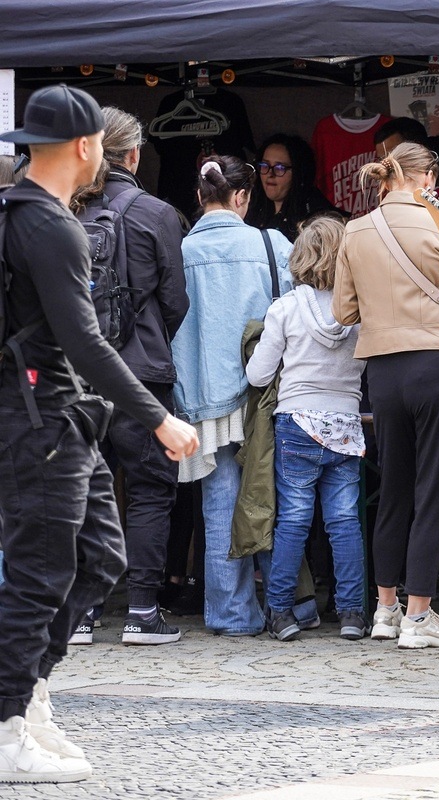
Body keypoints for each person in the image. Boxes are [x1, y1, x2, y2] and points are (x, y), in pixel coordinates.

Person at [0, 84, 197, 784]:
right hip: (40, 420)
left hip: (58, 417)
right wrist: (159, 417)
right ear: (87, 148)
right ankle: (6, 727)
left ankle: (28, 696)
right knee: (41, 574)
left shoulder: (32, 214)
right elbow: (84, 342)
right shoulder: (47, 226)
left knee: (99, 558)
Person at [334, 141, 439, 650]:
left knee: (394, 488)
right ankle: (419, 616)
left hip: (383, 372)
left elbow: (343, 312)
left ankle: (385, 609)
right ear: (427, 178)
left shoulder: (355, 231)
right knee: (433, 489)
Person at [66, 106, 190, 647]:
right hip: (142, 376)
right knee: (150, 492)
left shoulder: (65, 210)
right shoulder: (157, 213)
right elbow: (176, 302)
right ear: (134, 154)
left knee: (83, 492)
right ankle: (142, 612)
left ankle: (82, 615)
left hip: (77, 377)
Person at [172, 154, 303, 637]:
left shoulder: (179, 251)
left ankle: (232, 614)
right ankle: (292, 605)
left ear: (199, 196)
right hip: (264, 394)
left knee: (219, 504)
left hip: (202, 395)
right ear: (243, 197)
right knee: (277, 499)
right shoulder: (272, 244)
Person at [246, 216, 367, 642]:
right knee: (345, 521)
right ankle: (352, 614)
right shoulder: (360, 311)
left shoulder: (285, 308)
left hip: (297, 423)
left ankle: (281, 613)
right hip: (346, 423)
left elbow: (259, 375)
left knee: (294, 520)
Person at [245, 134, 338, 242]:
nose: (270, 174)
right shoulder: (252, 204)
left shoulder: (316, 216)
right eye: (265, 165)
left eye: (280, 168)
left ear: (299, 172)